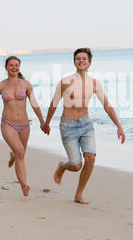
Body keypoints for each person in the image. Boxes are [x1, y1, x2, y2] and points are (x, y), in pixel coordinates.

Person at [41, 48, 126, 204]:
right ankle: (62, 166)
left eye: (84, 59)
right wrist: (46, 123)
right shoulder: (65, 82)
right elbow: (54, 104)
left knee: (90, 159)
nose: (81, 61)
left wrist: (118, 126)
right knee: (75, 165)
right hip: (68, 125)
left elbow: (107, 105)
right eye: (78, 58)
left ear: (89, 63)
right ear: (74, 62)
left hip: (86, 124)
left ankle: (78, 195)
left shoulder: (94, 83)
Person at [0, 56, 44, 197]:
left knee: (20, 153)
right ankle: (24, 185)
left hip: (25, 125)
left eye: (16, 65)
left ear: (19, 67)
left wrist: (43, 122)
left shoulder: (26, 85)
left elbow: (34, 103)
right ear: (6, 67)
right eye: (11, 65)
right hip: (8, 124)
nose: (14, 67)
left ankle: (12, 155)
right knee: (20, 152)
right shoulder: (1, 86)